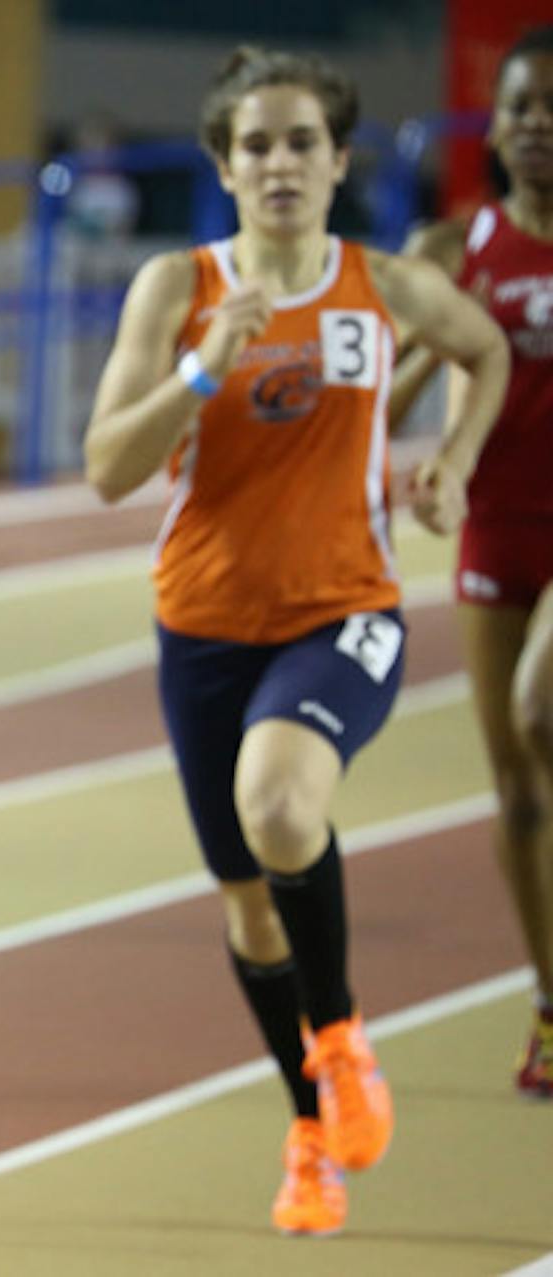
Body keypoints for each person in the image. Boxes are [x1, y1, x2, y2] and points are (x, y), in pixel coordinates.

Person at [83, 47, 508, 1236]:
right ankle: (311, 1125)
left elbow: (487, 349)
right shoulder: (180, 287)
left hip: (342, 608)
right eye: (255, 144)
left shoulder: (380, 284)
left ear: (335, 161)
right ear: (222, 165)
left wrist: (455, 459)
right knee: (248, 907)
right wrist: (198, 372)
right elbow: (108, 466)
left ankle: (338, 1036)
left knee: (278, 806)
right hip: (202, 624)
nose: (278, 163)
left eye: (301, 142)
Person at [388, 27, 553, 1100]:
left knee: (541, 715)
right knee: (515, 790)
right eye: (519, 107)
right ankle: (547, 1003)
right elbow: (381, 396)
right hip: (495, 525)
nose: (536, 126)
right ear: (491, 125)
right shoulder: (453, 249)